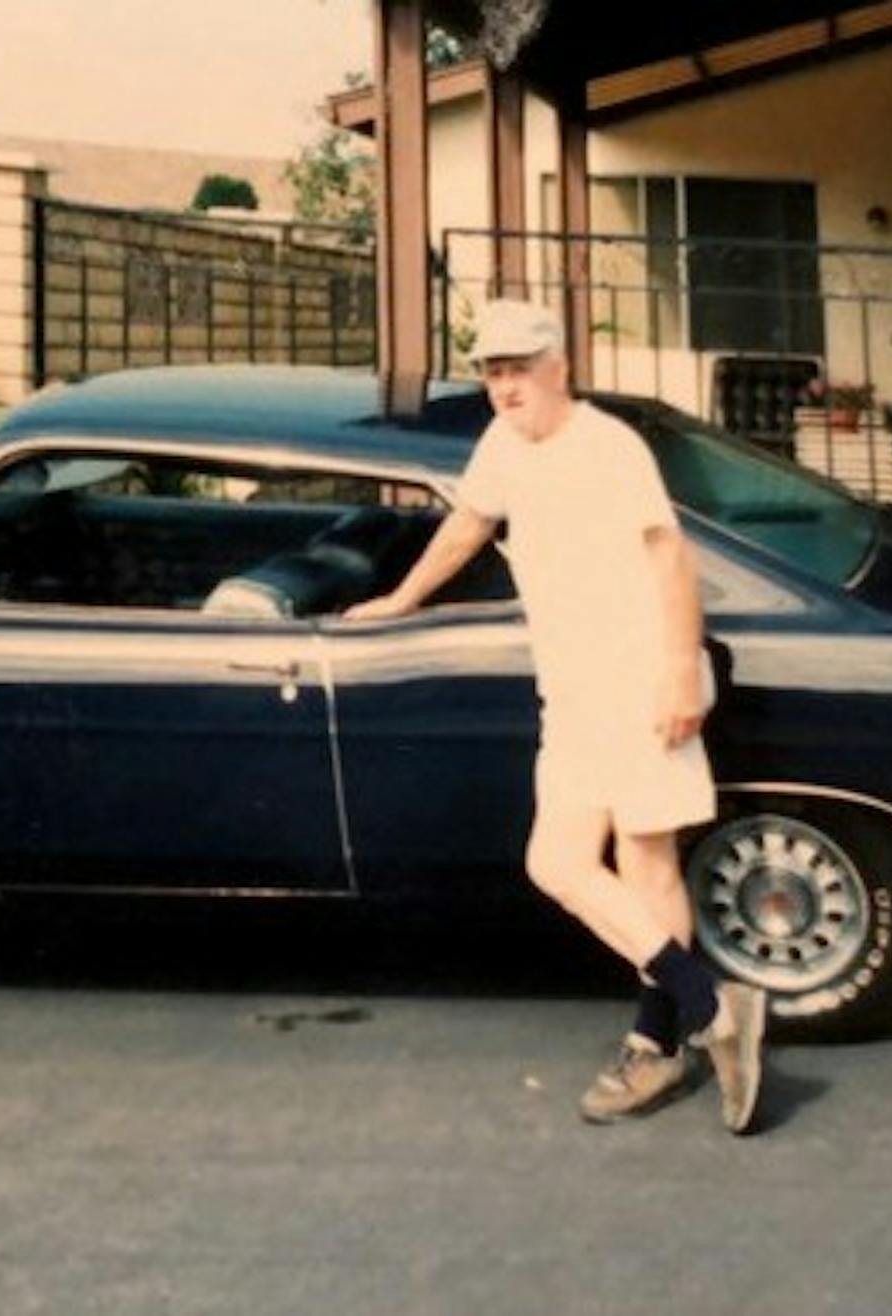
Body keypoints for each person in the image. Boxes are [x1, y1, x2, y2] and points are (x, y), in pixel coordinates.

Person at [344, 299, 766, 1132]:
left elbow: (670, 557)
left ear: (558, 369)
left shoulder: (609, 447)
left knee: (647, 869)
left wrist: (681, 669)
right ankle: (712, 1007)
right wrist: (399, 598)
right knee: (559, 862)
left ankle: (659, 1044)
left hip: (641, 680)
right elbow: (468, 525)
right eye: (492, 373)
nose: (505, 388)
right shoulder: (503, 445)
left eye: (518, 371)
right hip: (572, 692)